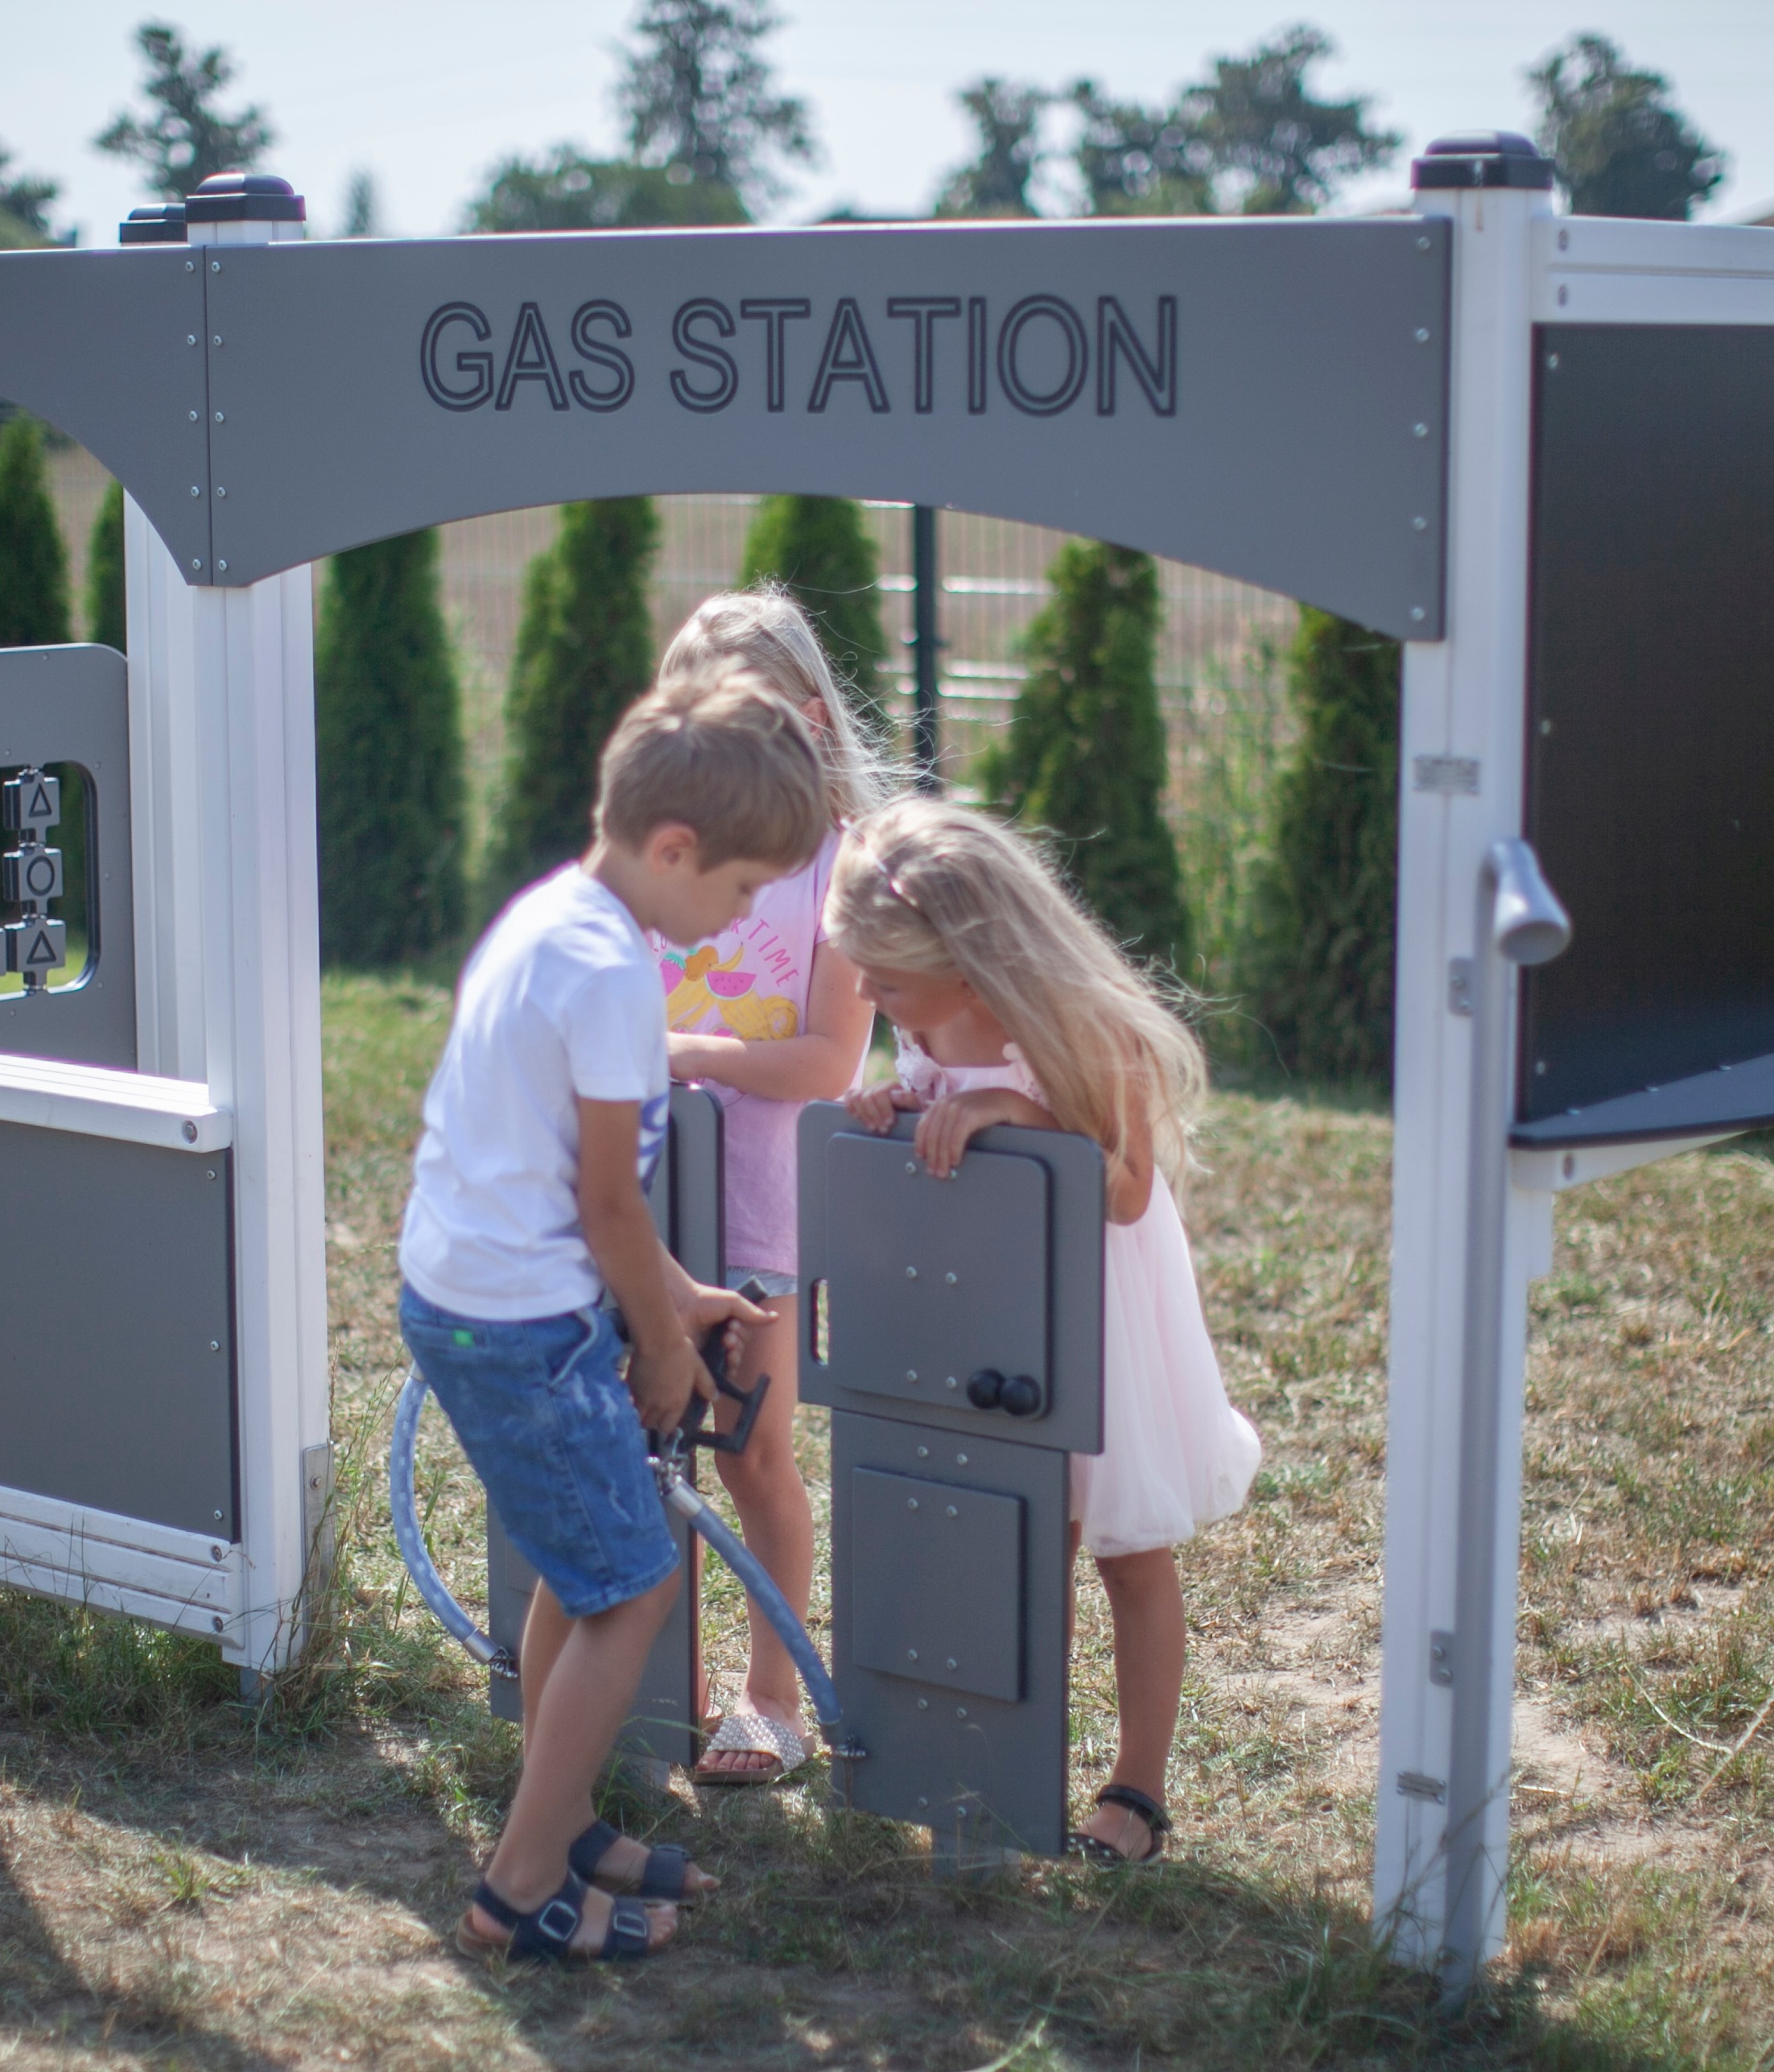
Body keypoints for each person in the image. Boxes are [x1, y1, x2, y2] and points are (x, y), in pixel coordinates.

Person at [398, 667, 830, 1961]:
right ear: (674, 845)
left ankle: (566, 1813)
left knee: (587, 1571)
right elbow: (605, 1201)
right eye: (743, 889)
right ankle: (519, 1884)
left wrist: (679, 1298)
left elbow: (555, 1181)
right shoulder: (612, 977)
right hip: (525, 1325)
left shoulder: (549, 919)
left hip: (475, 1298)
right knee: (634, 1583)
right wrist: (658, 1343)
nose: (744, 915)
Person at [827, 795, 1261, 1866]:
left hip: (1094, 1306)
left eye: (882, 980)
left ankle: (1136, 1787)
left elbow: (1122, 1191)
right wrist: (897, 1104)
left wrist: (1021, 1119)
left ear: (969, 967)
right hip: (985, 1307)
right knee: (1011, 1547)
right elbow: (940, 1117)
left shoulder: (1079, 1023)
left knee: (1122, 1547)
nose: (864, 995)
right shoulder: (919, 1011)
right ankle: (1000, 1768)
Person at [647, 587, 897, 1786]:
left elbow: (828, 1059)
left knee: (747, 1455)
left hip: (758, 1223)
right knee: (654, 1449)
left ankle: (769, 1695)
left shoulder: (841, 872)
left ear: (806, 720)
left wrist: (689, 1054)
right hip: (653, 1219)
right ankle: (664, 1682)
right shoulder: (676, 858)